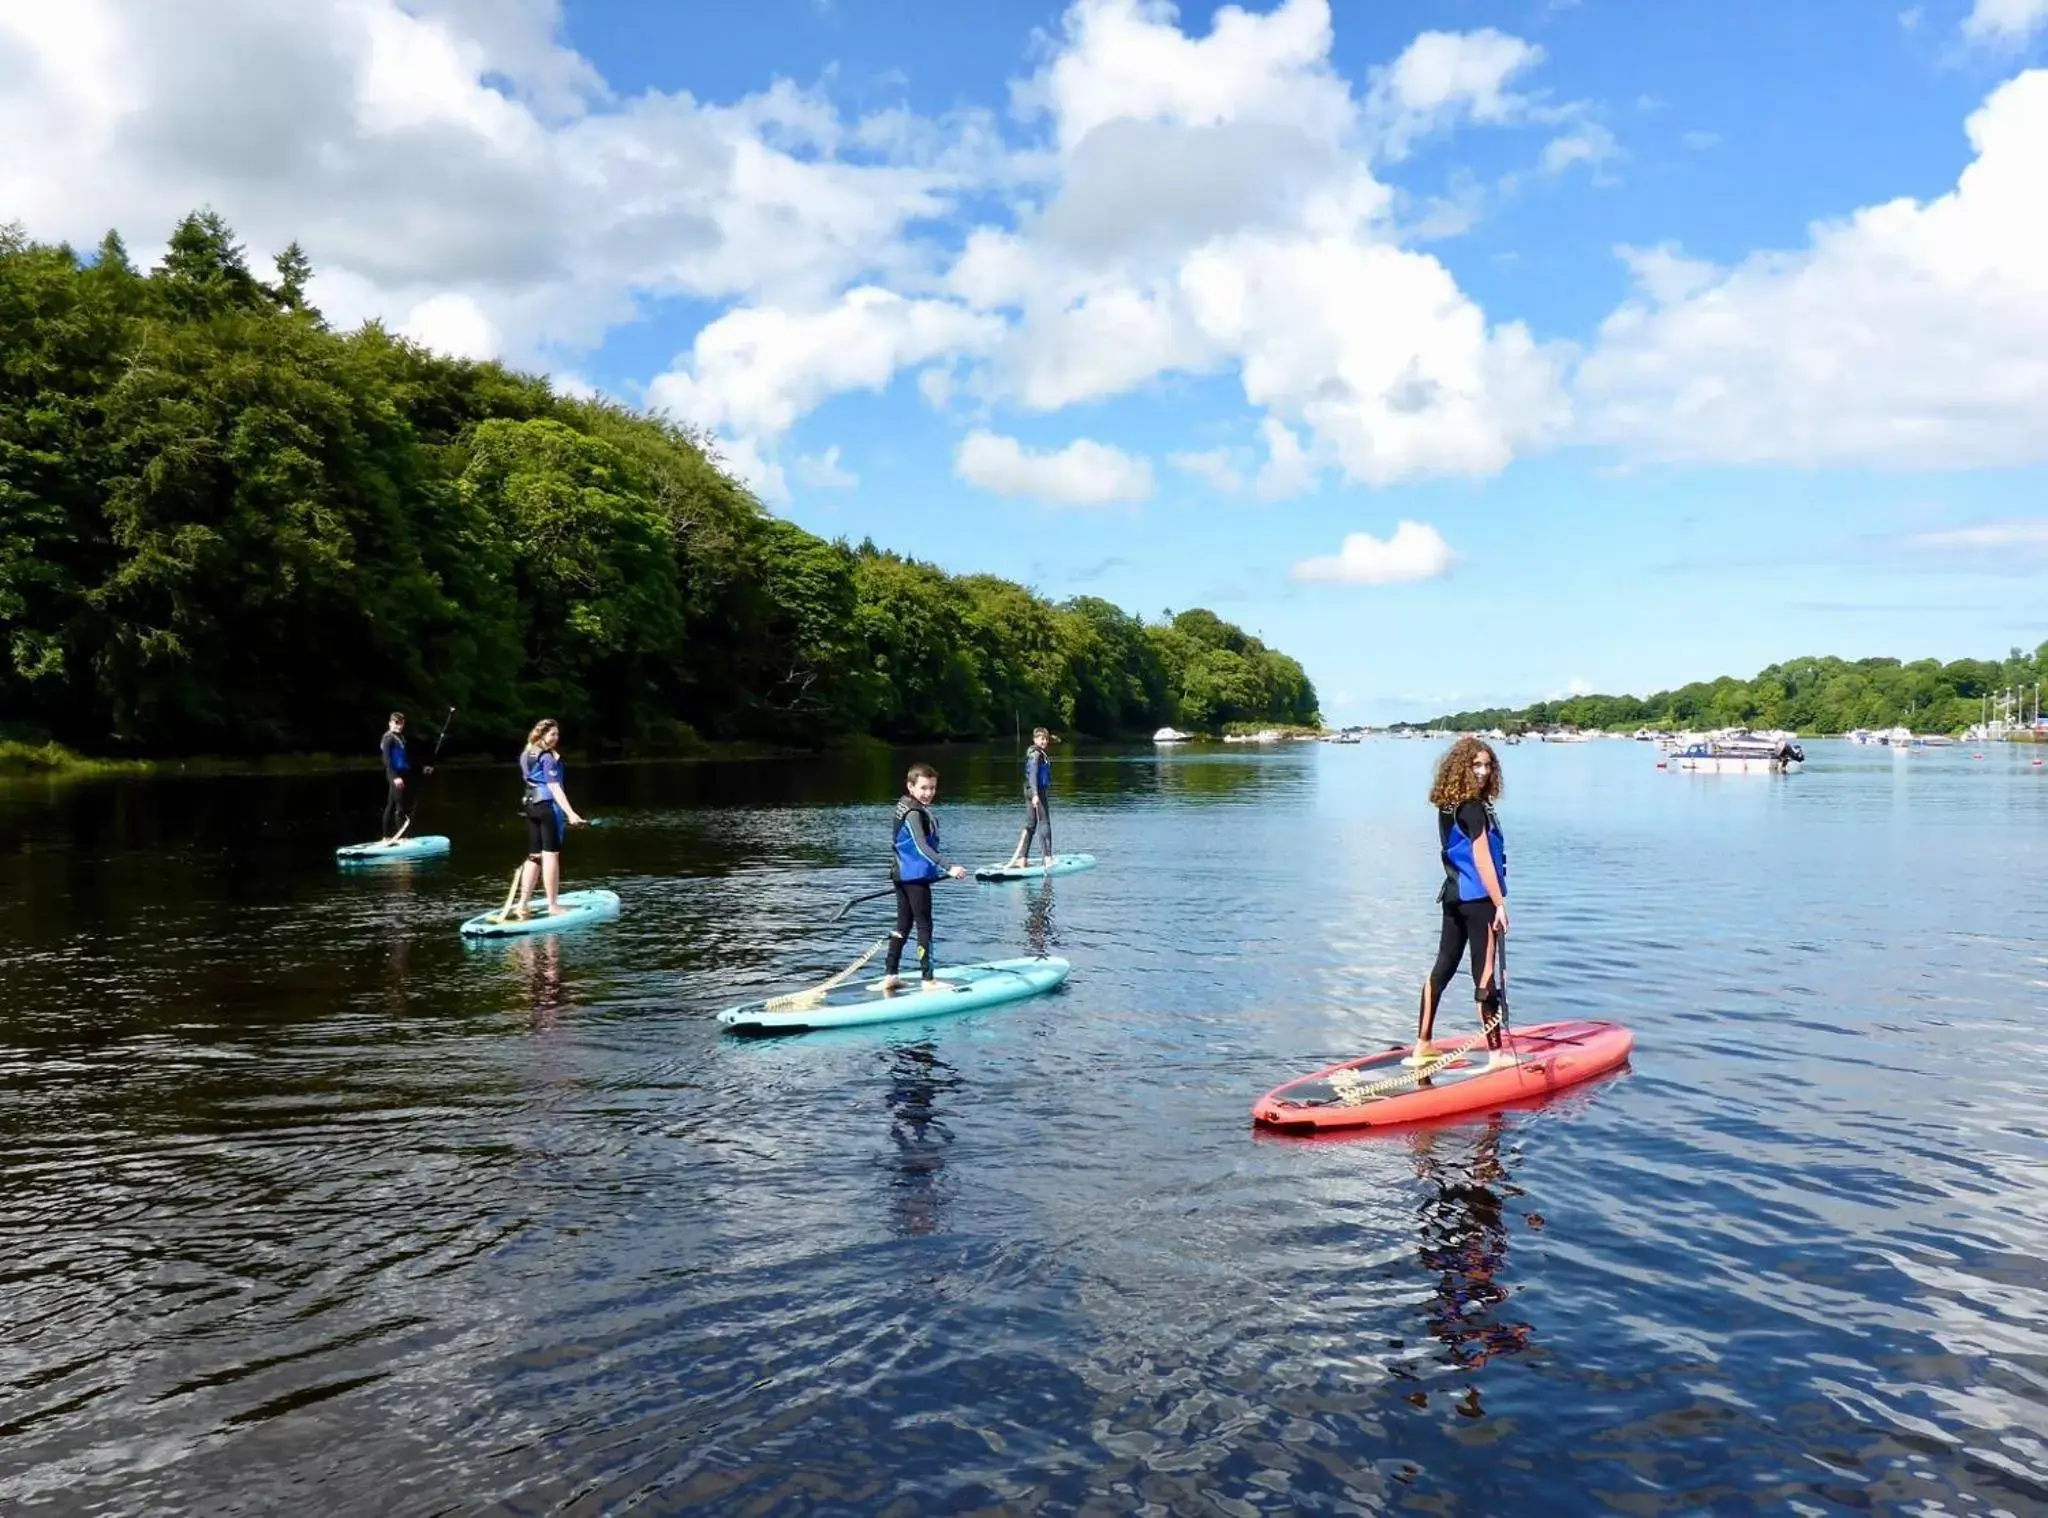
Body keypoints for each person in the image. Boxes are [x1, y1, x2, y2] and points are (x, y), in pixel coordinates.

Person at [1414, 736, 1512, 1069]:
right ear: (1463, 768)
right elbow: (1483, 860)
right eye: (1477, 765)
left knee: (1442, 969)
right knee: (1485, 978)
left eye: (1488, 765)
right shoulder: (1472, 808)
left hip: (1452, 897)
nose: (1483, 771)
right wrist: (1500, 903)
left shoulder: (1447, 806)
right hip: (1479, 900)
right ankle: (1496, 1056)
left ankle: (1423, 1045)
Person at [883, 762, 968, 992]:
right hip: (914, 879)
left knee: (903, 924)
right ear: (910, 787)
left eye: (932, 788)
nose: (928, 793)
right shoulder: (912, 813)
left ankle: (890, 975)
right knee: (924, 926)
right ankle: (928, 980)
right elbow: (921, 847)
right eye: (923, 788)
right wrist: (949, 867)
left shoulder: (908, 806)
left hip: (902, 876)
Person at [509, 718, 586, 918]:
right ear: (541, 735)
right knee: (551, 855)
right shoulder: (547, 758)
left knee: (534, 856)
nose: (555, 738)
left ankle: (522, 905)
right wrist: (571, 814)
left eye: (557, 734)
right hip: (545, 807)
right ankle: (553, 905)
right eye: (552, 734)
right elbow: (554, 787)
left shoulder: (526, 754)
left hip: (530, 806)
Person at [1002, 727, 1058, 869]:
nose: (1044, 741)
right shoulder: (1036, 756)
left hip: (1028, 791)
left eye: (1045, 739)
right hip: (1036, 792)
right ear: (1035, 739)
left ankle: (1022, 859)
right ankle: (1047, 858)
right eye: (1041, 738)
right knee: (1044, 822)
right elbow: (1033, 775)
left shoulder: (1034, 753)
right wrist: (1035, 795)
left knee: (1031, 824)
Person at [379, 711, 431, 842]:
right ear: (390, 723)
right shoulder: (388, 738)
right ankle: (402, 838)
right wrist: (395, 776)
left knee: (391, 805)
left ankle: (386, 837)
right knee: (400, 807)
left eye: (401, 723)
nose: (399, 725)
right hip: (394, 775)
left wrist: (422, 767)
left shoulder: (401, 738)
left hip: (403, 774)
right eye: (396, 723)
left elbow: (406, 759)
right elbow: (386, 760)